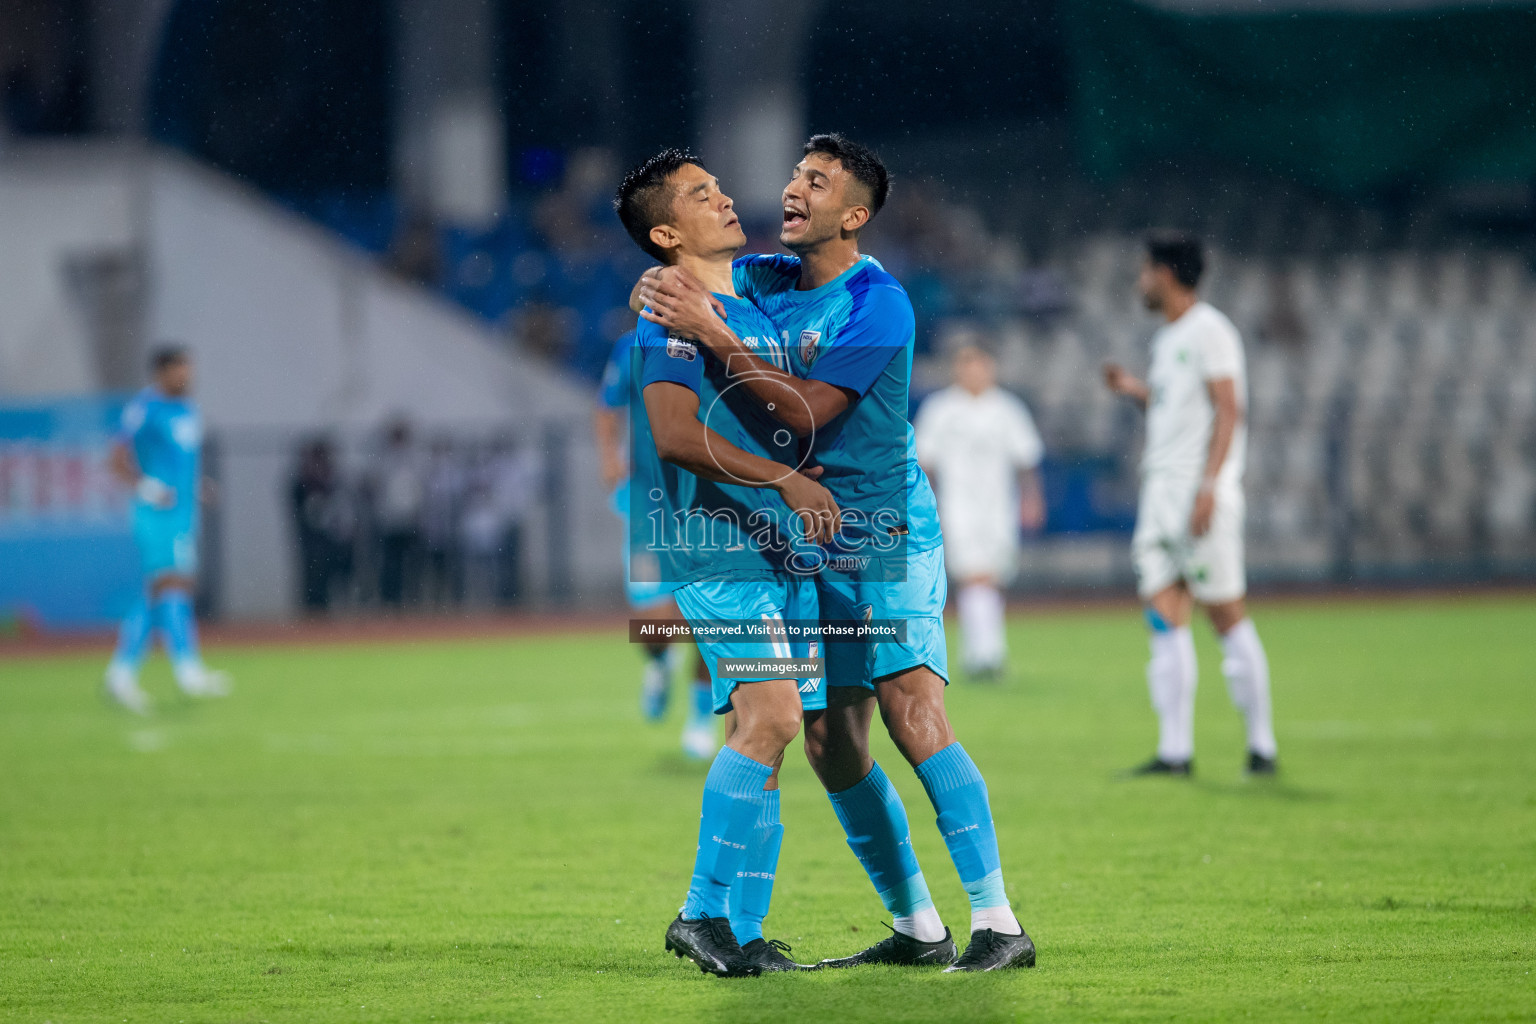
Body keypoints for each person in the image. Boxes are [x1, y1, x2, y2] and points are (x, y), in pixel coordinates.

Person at [638, 134, 1035, 971]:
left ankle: (998, 922)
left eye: (815, 182)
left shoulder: (878, 304)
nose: (791, 190)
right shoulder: (761, 281)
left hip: (881, 532)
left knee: (911, 710)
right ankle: (919, 929)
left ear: (853, 215)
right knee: (827, 740)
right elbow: (689, 285)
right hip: (799, 542)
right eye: (792, 175)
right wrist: (661, 283)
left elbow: (806, 414)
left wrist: (712, 334)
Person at [615, 148, 842, 977]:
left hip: (781, 554)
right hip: (722, 554)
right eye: (701, 196)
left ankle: (744, 934)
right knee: (775, 719)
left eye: (719, 187)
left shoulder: (747, 297)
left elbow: (828, 259)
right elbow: (674, 435)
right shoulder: (668, 313)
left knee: (769, 736)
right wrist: (783, 478)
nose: (724, 200)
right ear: (667, 232)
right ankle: (700, 913)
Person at [1101, 231, 1279, 777]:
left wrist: (1210, 485)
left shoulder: (1211, 331)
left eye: (1145, 271)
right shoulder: (1168, 338)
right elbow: (1176, 410)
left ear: (1167, 274)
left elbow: (1229, 410)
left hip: (1199, 492)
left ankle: (1261, 745)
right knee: (1163, 616)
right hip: (1160, 490)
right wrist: (1135, 391)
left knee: (1225, 613)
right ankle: (1175, 751)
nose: (1140, 282)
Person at [594, 328, 719, 760]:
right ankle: (659, 664)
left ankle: (701, 721)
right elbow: (606, 407)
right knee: (653, 622)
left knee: (709, 619)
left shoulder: (715, 340)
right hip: (649, 502)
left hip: (706, 503)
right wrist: (610, 460)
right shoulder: (631, 346)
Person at [103, 346, 230, 712]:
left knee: (162, 591)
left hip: (183, 513)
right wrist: (148, 488)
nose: (187, 376)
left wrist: (196, 486)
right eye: (181, 369)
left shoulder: (189, 409)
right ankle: (187, 669)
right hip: (156, 514)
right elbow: (115, 458)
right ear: (161, 371)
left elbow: (180, 461)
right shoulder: (145, 408)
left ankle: (122, 674)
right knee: (171, 585)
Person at [914, 344, 1046, 679]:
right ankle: (985, 656)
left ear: (990, 367)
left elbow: (1026, 461)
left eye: (979, 365)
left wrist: (1032, 499)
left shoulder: (1007, 408)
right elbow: (924, 463)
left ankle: (982, 653)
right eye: (966, 365)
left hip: (999, 506)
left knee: (993, 576)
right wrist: (925, 505)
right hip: (957, 505)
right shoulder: (941, 409)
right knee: (972, 574)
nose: (973, 372)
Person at [372, 419, 424, 608]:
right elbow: (378, 487)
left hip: (409, 520)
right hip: (389, 520)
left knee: (411, 565)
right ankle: (390, 601)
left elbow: (418, 489)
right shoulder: (383, 458)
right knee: (390, 564)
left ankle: (411, 600)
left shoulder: (413, 459)